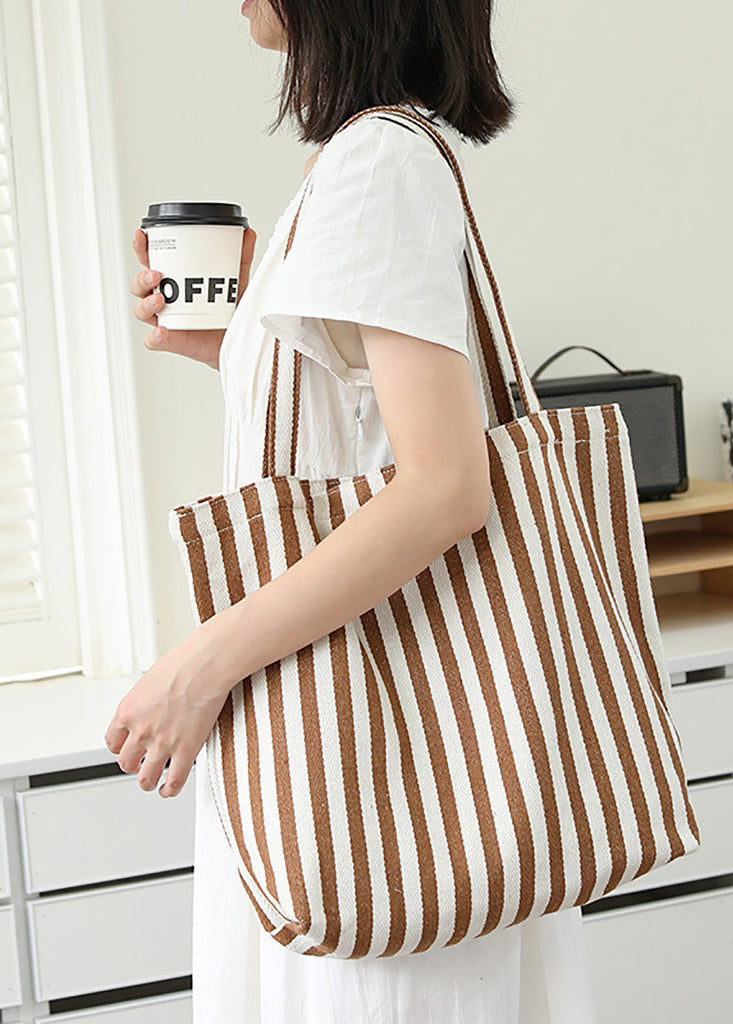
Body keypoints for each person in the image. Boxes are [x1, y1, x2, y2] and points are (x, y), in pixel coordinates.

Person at [111, 0, 600, 1020]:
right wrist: (240, 345)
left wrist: (198, 668)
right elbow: (357, 433)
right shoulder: (364, 159)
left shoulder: (378, 164)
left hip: (380, 779)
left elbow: (443, 487)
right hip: (369, 762)